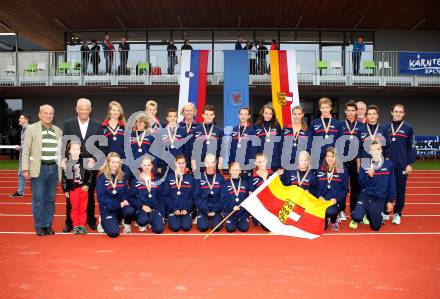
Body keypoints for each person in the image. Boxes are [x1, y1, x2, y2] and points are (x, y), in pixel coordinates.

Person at [62, 98, 102, 232]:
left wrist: (96, 160)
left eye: (86, 109)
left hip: (90, 166)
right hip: (72, 164)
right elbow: (64, 143)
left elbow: (101, 146)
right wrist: (64, 159)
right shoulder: (68, 124)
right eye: (81, 109)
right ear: (77, 109)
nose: (84, 111)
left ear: (90, 110)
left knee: (89, 193)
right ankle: (70, 222)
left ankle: (90, 220)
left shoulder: (97, 125)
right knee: (71, 194)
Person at [22, 105, 62, 236]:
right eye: (45, 113)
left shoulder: (58, 131)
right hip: (38, 169)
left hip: (54, 169)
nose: (48, 115)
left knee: (50, 199)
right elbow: (26, 150)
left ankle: (47, 225)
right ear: (40, 115)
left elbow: (62, 152)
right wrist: (25, 168)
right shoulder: (31, 129)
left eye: (51, 113)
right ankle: (39, 226)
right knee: (39, 199)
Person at [350, 141, 396, 231]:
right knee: (357, 217)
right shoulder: (365, 165)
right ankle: (363, 212)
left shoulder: (389, 164)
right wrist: (369, 176)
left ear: (381, 150)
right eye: (373, 150)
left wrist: (391, 201)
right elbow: (361, 184)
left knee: (375, 227)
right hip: (366, 195)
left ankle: (370, 213)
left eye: (378, 149)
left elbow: (392, 184)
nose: (376, 152)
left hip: (380, 198)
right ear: (370, 152)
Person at [385, 104, 416, 225]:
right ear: (391, 112)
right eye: (396, 111)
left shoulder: (408, 128)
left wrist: (409, 163)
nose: (398, 113)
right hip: (387, 165)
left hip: (401, 165)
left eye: (400, 112)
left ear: (403, 114)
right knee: (386, 189)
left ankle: (397, 213)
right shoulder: (385, 128)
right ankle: (386, 211)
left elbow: (412, 147)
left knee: (400, 190)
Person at [96, 152, 134, 238]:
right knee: (114, 233)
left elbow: (126, 192)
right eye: (113, 162)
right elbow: (101, 198)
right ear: (108, 163)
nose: (115, 164)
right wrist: (118, 204)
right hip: (108, 208)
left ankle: (125, 222)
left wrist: (124, 200)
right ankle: (103, 220)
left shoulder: (122, 176)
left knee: (130, 210)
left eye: (117, 162)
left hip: (119, 207)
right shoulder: (102, 178)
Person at [339, 100, 363, 220]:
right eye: (348, 110)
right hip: (342, 160)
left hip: (356, 161)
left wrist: (359, 160)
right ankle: (341, 210)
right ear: (345, 111)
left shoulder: (362, 126)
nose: (350, 113)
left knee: (355, 187)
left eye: (353, 110)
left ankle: (353, 210)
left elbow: (363, 144)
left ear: (356, 112)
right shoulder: (340, 125)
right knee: (343, 186)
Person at [61, 141, 92, 235]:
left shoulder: (85, 162)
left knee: (83, 208)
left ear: (80, 151)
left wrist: (87, 184)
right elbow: (64, 177)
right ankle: (75, 225)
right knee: (74, 208)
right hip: (73, 189)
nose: (75, 151)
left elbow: (90, 174)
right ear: (69, 151)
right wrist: (65, 189)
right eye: (73, 149)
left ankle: (82, 225)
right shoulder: (67, 163)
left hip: (83, 189)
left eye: (77, 149)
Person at [314, 147, 348, 230]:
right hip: (321, 200)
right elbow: (314, 187)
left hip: (334, 201)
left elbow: (345, 189)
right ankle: (325, 220)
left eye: (332, 156)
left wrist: (336, 199)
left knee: (330, 211)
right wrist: (319, 196)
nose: (330, 159)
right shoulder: (319, 169)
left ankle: (333, 219)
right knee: (322, 228)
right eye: (327, 156)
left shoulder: (342, 170)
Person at [128, 156, 165, 234]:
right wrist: (141, 206)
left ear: (152, 166)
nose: (147, 167)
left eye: (149, 165)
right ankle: (145, 220)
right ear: (141, 166)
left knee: (159, 230)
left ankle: (152, 219)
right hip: (141, 208)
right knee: (142, 221)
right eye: (144, 165)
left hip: (154, 209)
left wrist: (161, 213)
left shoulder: (157, 179)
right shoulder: (135, 180)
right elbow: (131, 198)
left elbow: (161, 197)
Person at [163, 155, 195, 232]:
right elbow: (165, 196)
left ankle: (189, 215)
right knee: (175, 228)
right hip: (173, 209)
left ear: (185, 164)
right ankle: (170, 216)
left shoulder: (190, 178)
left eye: (183, 163)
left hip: (185, 209)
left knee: (186, 227)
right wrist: (174, 208)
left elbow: (193, 196)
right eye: (179, 163)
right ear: (175, 164)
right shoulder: (169, 177)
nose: (181, 165)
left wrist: (187, 209)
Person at [194, 154, 224, 232]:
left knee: (217, 228)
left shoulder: (220, 177)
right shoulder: (199, 177)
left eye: (212, 162)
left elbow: (223, 197)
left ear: (215, 163)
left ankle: (218, 216)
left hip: (216, 208)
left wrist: (215, 210)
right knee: (203, 228)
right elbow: (197, 197)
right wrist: (206, 210)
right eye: (208, 162)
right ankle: (200, 216)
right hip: (204, 208)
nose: (210, 165)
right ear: (204, 163)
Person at [191, 105, 224, 173]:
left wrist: (220, 164)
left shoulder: (220, 131)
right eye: (206, 114)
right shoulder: (195, 131)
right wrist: (193, 165)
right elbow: (192, 150)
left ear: (214, 116)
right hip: (198, 165)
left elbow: (222, 149)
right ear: (203, 115)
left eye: (211, 114)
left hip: (214, 165)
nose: (209, 116)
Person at [309, 97, 342, 167]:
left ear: (330, 108)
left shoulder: (338, 123)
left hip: (333, 158)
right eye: (323, 107)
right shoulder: (314, 123)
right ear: (320, 109)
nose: (325, 110)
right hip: (318, 158)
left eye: (327, 107)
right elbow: (310, 141)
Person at [223, 162, 250, 233]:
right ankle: (228, 220)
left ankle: (243, 220)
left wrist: (246, 215)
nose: (235, 172)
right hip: (230, 213)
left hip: (242, 213)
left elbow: (248, 199)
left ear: (240, 171)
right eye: (233, 170)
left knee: (244, 229)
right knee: (230, 229)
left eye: (237, 170)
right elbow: (223, 200)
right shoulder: (225, 184)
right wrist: (232, 207)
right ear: (229, 171)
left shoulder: (245, 183)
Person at [229, 108, 257, 177]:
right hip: (234, 162)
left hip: (246, 163)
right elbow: (230, 146)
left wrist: (251, 162)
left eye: (245, 114)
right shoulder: (234, 129)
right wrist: (230, 162)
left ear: (249, 116)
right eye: (241, 114)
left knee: (245, 183)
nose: (243, 116)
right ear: (238, 115)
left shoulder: (252, 130)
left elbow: (254, 148)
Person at [254, 104, 282, 171]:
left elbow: (280, 143)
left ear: (273, 115)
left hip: (275, 161)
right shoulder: (256, 126)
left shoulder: (276, 125)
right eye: (266, 113)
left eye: (270, 113)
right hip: (262, 162)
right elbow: (254, 145)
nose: (268, 116)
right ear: (262, 114)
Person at [10, 114, 30, 198]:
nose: (19, 119)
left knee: (34, 175)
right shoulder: (23, 129)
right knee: (21, 174)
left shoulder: (29, 129)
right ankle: (20, 192)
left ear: (26, 120)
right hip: (23, 155)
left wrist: (20, 147)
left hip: (29, 156)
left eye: (21, 118)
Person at [179, 102, 198, 168]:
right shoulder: (177, 126)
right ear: (183, 112)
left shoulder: (200, 127)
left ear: (194, 112)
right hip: (181, 161)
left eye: (190, 110)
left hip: (196, 160)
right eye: (186, 110)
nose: (189, 112)